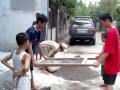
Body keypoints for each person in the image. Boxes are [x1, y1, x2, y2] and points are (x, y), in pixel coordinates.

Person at [94, 13, 120, 90]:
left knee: (109, 85)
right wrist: (100, 55)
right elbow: (107, 47)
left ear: (107, 20)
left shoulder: (112, 32)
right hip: (111, 61)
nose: (101, 24)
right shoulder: (113, 30)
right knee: (107, 83)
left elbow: (108, 51)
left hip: (112, 62)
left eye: (102, 22)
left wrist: (98, 61)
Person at [26, 13, 48, 89]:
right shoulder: (31, 31)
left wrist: (43, 55)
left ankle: (32, 86)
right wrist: (33, 59)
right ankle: (31, 86)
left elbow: (38, 43)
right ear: (39, 22)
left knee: (30, 69)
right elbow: (29, 47)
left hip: (31, 53)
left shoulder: (38, 30)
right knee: (27, 69)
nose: (45, 26)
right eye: (44, 24)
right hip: (26, 54)